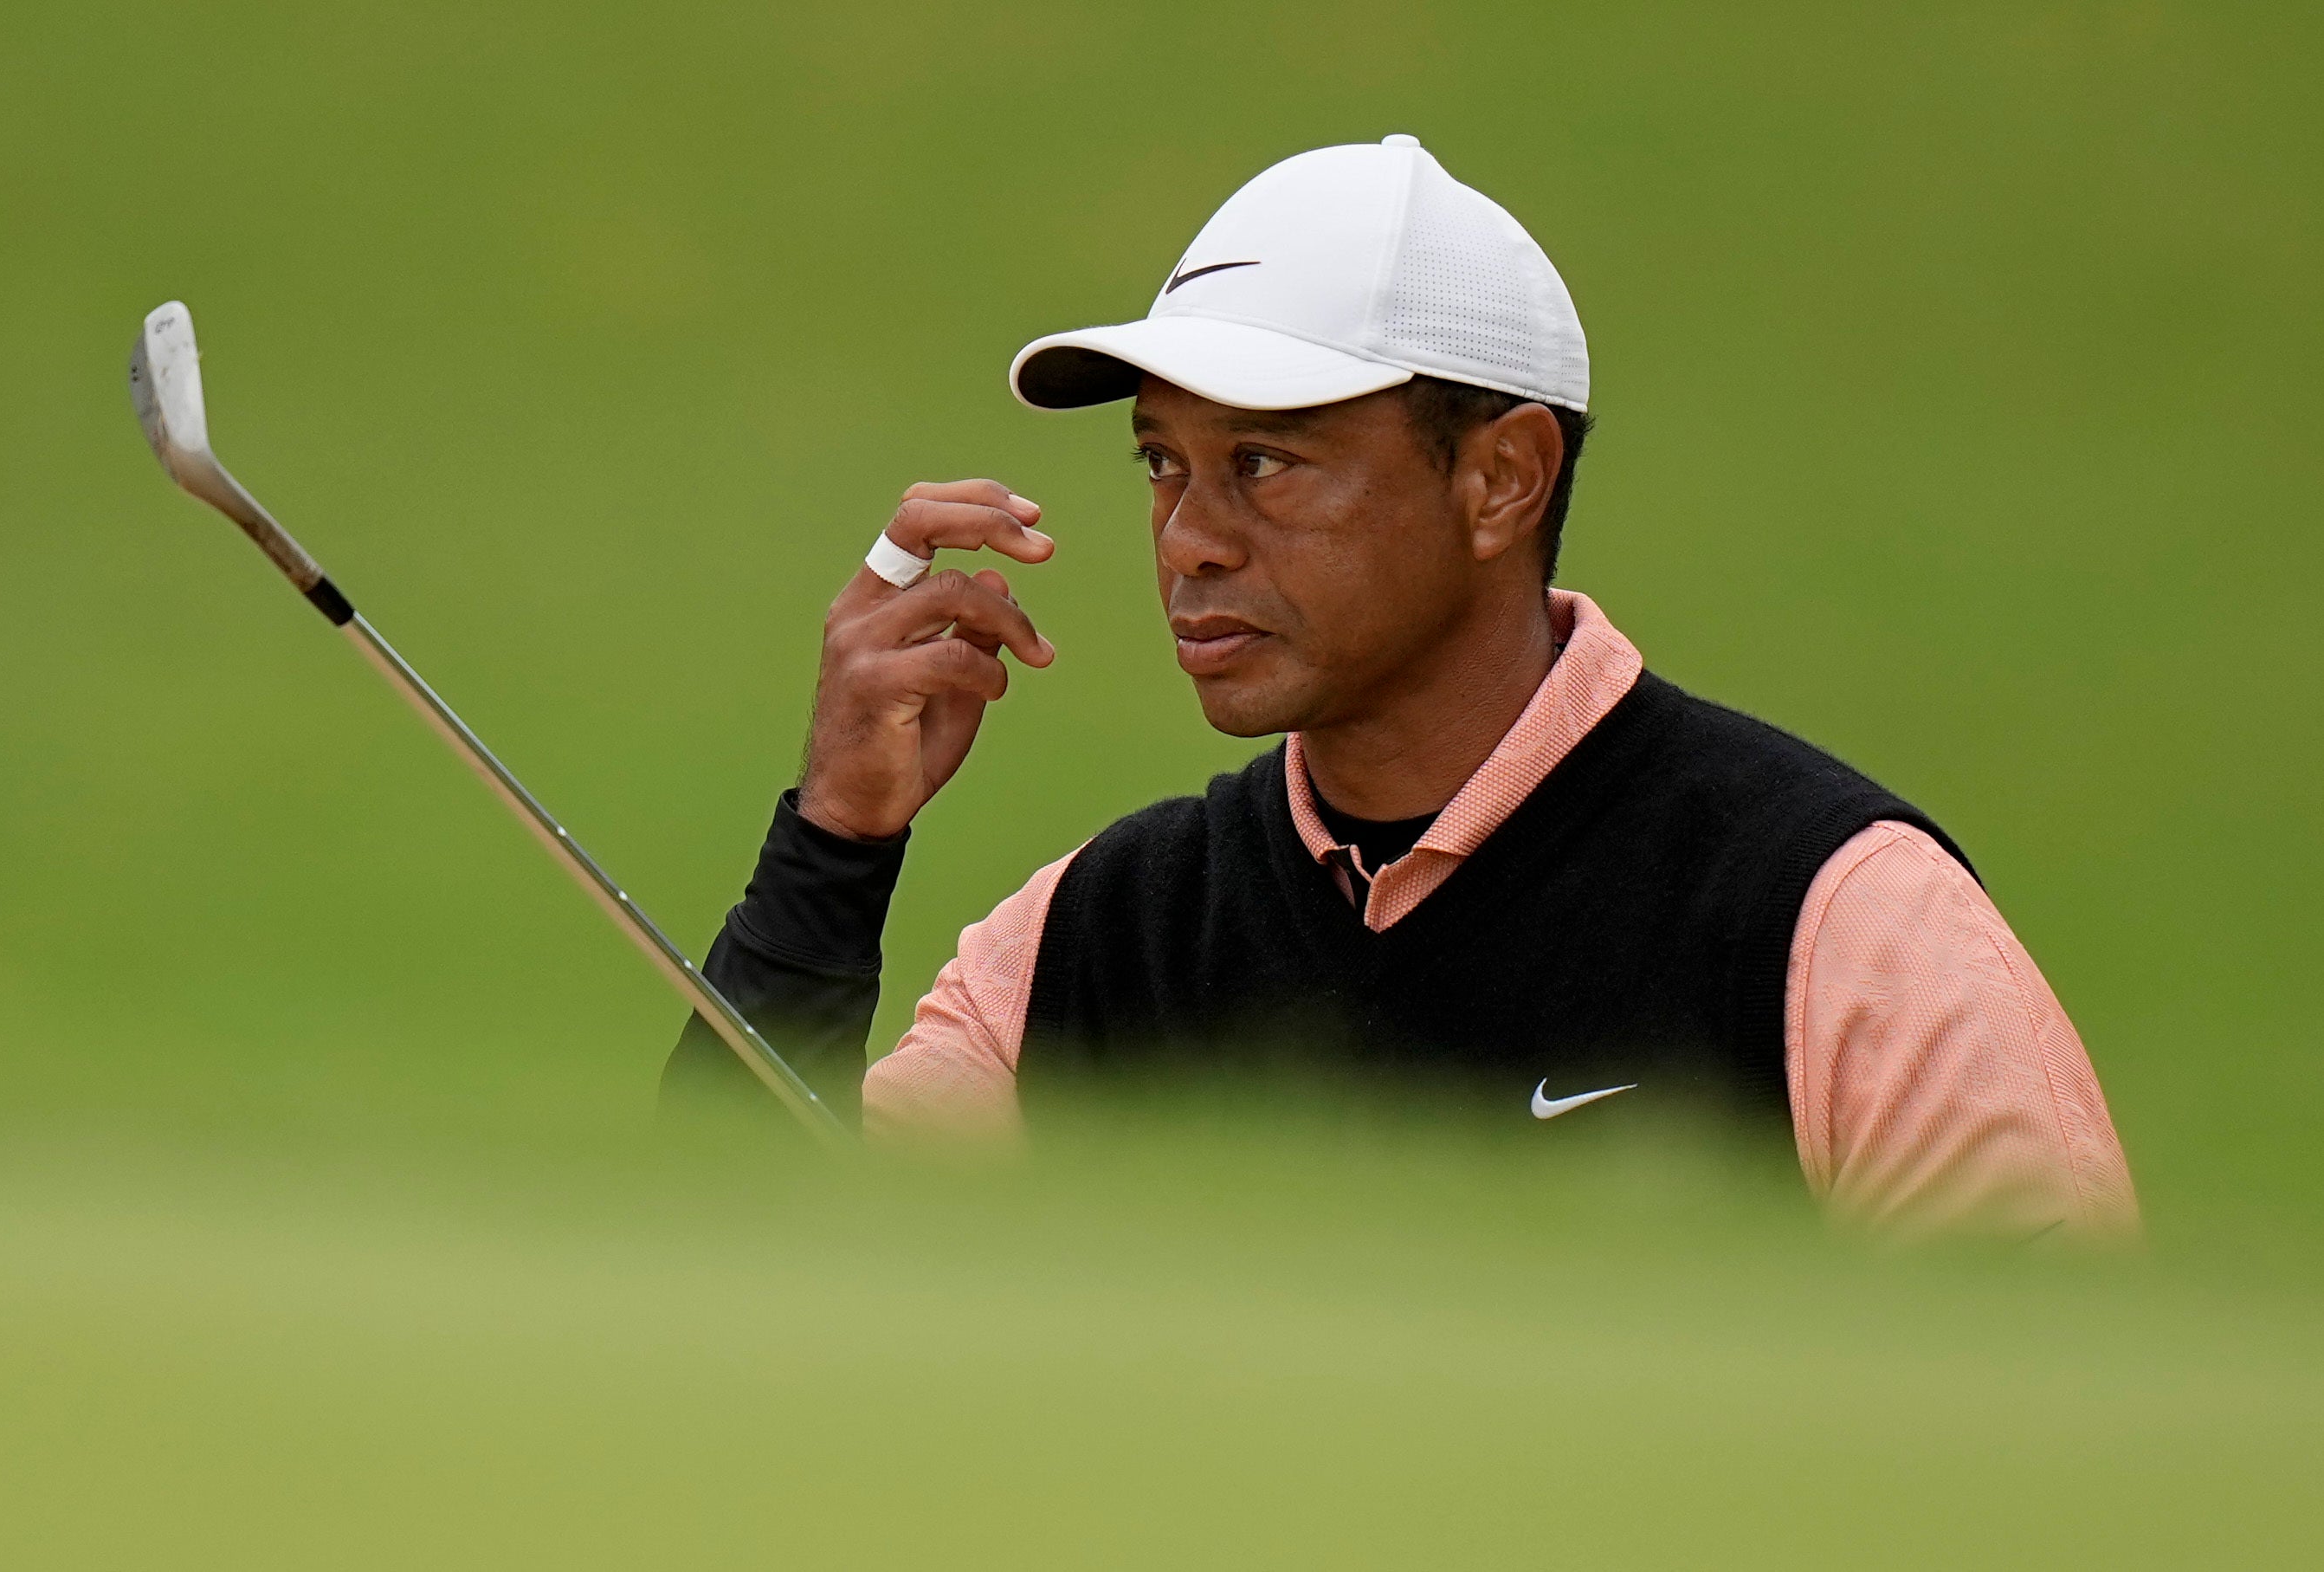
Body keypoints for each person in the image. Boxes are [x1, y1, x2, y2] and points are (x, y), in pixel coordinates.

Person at [666, 135, 2137, 1238]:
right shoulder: (1093, 943)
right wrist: (835, 849)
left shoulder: (1831, 914)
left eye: (1265, 464)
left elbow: (2060, 1445)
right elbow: (724, 1310)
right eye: (1163, 467)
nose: (1188, 542)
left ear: (1500, 478)